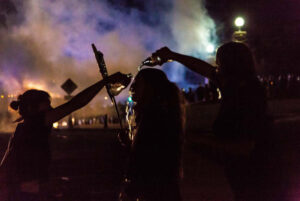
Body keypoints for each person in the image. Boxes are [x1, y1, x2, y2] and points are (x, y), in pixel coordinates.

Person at [152, 42, 283, 201]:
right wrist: (173, 55)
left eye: (219, 63)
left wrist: (194, 139)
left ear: (232, 66)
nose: (216, 68)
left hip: (257, 181)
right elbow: (202, 68)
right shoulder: (233, 85)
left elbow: (244, 146)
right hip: (245, 179)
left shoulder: (248, 94)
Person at [0, 72, 130, 201]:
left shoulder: (23, 128)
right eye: (47, 105)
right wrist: (104, 81)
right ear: (32, 108)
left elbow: (7, 163)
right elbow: (75, 104)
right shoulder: (36, 122)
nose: (52, 108)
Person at [119, 68, 185, 201]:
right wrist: (130, 144)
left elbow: (148, 162)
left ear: (150, 88)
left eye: (137, 83)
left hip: (156, 193)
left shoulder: (155, 117)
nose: (132, 87)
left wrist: (132, 189)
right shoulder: (157, 114)